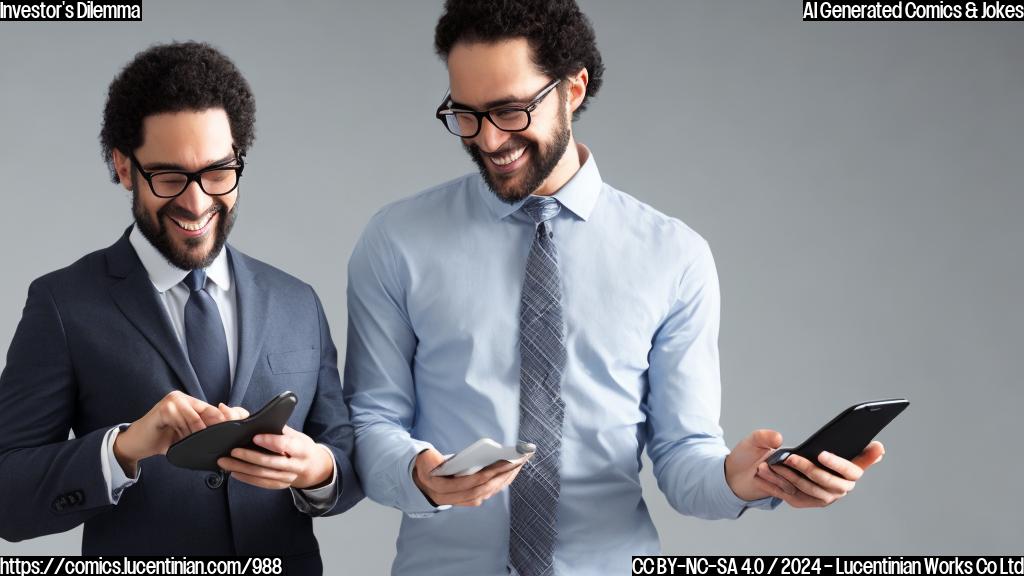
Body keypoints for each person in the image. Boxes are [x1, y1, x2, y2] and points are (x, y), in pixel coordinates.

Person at [343, 1, 886, 575]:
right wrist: (418, 473)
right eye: (466, 114)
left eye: (509, 110)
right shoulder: (396, 240)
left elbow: (683, 455)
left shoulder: (674, 256)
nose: (489, 139)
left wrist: (747, 479)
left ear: (572, 89)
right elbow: (370, 423)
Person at [0, 42, 361, 573]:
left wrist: (318, 470)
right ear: (124, 167)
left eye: (217, 173)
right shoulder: (62, 304)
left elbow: (347, 458)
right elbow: (8, 496)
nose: (196, 202)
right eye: (169, 178)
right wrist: (122, 449)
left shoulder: (296, 300)